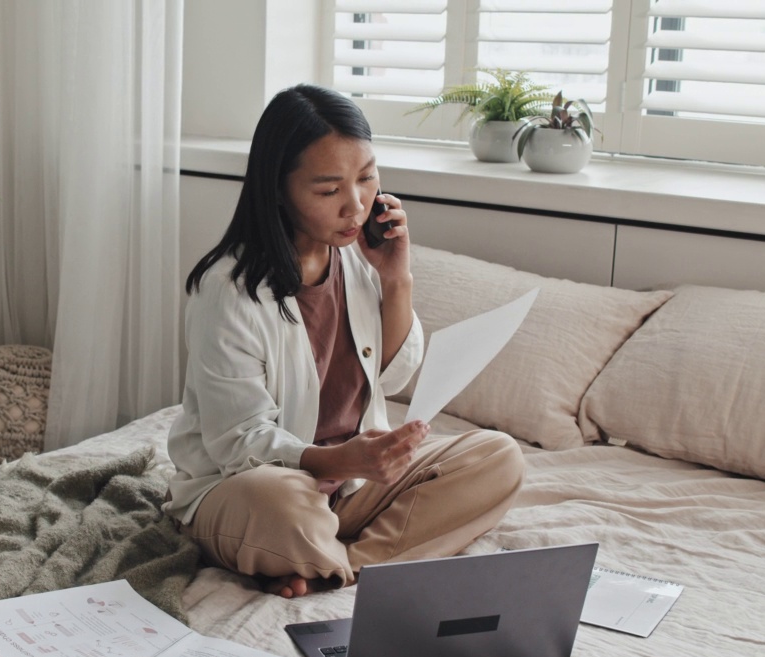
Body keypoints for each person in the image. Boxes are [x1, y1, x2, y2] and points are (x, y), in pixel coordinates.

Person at [163, 84, 524, 598]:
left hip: (352, 488)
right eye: (329, 190)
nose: (356, 207)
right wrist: (341, 460)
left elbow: (392, 377)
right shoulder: (227, 292)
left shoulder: (359, 258)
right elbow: (236, 443)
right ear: (279, 190)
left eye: (367, 178)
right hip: (253, 485)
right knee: (281, 504)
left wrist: (397, 280)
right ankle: (318, 546)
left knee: (499, 458)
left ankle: (342, 563)